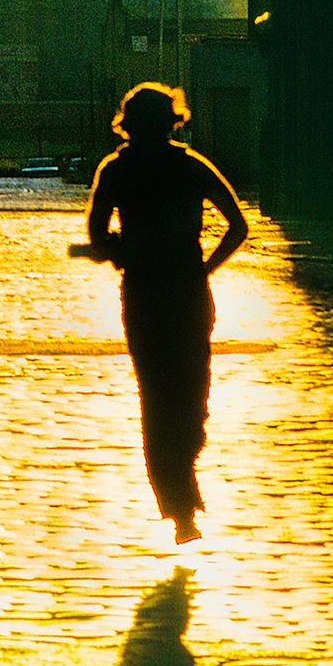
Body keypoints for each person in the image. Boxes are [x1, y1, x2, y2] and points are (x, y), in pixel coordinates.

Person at [85, 83, 247, 543]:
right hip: (188, 292)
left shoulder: (116, 170)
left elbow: (98, 235)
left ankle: (178, 502)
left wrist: (120, 254)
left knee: (155, 399)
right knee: (192, 396)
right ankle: (182, 494)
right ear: (172, 123)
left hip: (143, 294)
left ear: (128, 127)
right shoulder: (190, 167)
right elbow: (237, 226)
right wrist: (205, 268)